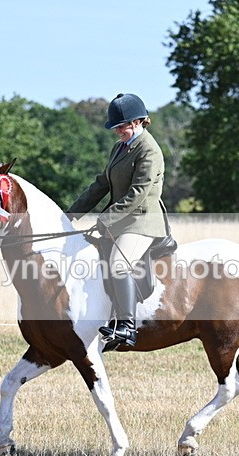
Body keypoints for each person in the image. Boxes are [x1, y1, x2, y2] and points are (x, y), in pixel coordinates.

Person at [66, 93, 169, 350]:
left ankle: (127, 327)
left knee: (119, 265)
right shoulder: (120, 148)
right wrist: (70, 215)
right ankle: (110, 320)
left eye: (121, 126)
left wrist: (106, 218)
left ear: (137, 122)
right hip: (121, 221)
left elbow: (138, 193)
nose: (117, 131)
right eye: (115, 127)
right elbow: (101, 184)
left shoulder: (149, 150)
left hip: (142, 221)